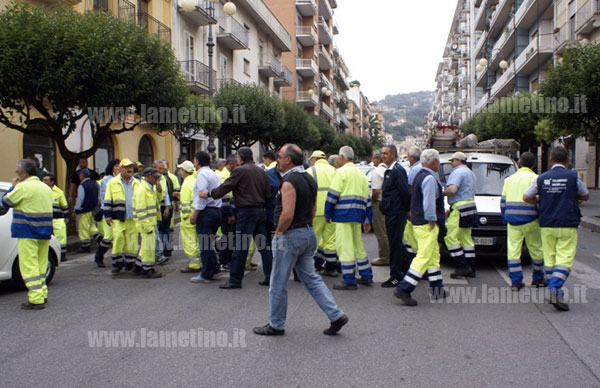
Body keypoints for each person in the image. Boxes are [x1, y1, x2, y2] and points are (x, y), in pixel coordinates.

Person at [253, 144, 349, 336]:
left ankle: (276, 324)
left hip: (290, 235)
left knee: (278, 282)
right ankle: (336, 315)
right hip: (307, 232)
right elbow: (313, 210)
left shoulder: (289, 181)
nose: (277, 160)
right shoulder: (309, 179)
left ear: (288, 160)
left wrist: (279, 232)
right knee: (312, 278)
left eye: (280, 156)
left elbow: (287, 214)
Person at [523, 146, 589, 311]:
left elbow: (526, 197)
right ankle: (554, 288)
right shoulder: (573, 176)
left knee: (550, 259)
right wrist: (574, 198)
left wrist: (540, 201)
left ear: (551, 160)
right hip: (567, 222)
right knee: (565, 258)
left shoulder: (541, 178)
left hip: (547, 223)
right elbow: (585, 195)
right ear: (567, 160)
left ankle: (555, 291)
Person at [200, 147, 273, 289]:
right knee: (264, 247)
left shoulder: (240, 171)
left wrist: (209, 193)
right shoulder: (261, 171)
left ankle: (234, 280)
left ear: (240, 158)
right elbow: (268, 192)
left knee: (240, 247)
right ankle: (270, 277)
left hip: (246, 212)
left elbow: (225, 187)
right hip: (260, 211)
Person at [394, 149, 446, 306]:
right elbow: (429, 202)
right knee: (424, 256)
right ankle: (404, 288)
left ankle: (437, 289)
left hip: (418, 221)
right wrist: (431, 219)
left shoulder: (418, 175)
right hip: (426, 224)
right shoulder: (429, 178)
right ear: (434, 162)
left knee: (433, 255)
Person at [1, 159, 53, 309]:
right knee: (41, 265)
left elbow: (5, 202)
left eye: (17, 172)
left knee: (29, 266)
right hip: (44, 231)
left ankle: (36, 299)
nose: (17, 174)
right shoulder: (45, 188)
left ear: (23, 173)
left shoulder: (22, 187)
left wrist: (12, 187)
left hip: (27, 231)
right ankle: (42, 293)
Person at [325, 146, 373, 290]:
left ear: (341, 158)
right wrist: (367, 219)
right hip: (358, 215)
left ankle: (349, 280)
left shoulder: (340, 173)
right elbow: (368, 199)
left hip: (342, 215)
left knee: (344, 247)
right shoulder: (361, 175)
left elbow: (332, 195)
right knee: (358, 245)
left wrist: (328, 214)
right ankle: (366, 275)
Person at [501, 152, 546, 291]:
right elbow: (541, 201)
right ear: (534, 164)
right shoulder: (536, 178)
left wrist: (505, 218)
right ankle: (538, 278)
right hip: (531, 218)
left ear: (519, 163)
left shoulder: (509, 179)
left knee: (513, 251)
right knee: (536, 249)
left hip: (512, 220)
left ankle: (516, 282)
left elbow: (503, 202)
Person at [379, 145, 411, 288]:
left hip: (396, 213)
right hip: (391, 211)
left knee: (395, 245)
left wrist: (405, 210)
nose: (383, 156)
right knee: (396, 244)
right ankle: (405, 270)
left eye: (385, 153)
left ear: (393, 155)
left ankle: (396, 276)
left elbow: (405, 192)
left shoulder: (397, 171)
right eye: (382, 153)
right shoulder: (390, 170)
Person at [443, 151, 478, 279]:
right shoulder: (470, 173)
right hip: (470, 207)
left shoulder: (457, 172)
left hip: (459, 208)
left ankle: (462, 265)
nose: (451, 163)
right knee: (466, 239)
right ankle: (471, 268)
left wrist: (443, 193)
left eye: (452, 161)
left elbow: (453, 189)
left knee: (450, 238)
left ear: (459, 160)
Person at [190, 151, 223, 283]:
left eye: (194, 159)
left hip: (206, 212)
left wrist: (195, 213)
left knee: (204, 243)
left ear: (197, 161)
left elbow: (202, 196)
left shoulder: (202, 175)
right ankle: (214, 268)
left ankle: (206, 273)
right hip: (216, 210)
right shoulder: (213, 174)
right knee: (208, 242)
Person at [103, 159, 139, 272]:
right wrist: (107, 215)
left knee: (131, 240)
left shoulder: (137, 183)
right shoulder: (112, 182)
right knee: (118, 239)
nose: (129, 169)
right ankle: (117, 263)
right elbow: (107, 200)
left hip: (132, 218)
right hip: (118, 217)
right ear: (121, 168)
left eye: (131, 167)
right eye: (126, 167)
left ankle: (130, 262)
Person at [306, 150, 338, 277]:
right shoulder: (334, 171)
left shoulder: (310, 171)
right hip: (332, 210)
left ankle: (309, 268)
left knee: (313, 239)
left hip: (316, 210)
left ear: (315, 159)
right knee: (330, 240)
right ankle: (331, 268)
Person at [133, 168, 163, 279]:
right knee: (148, 247)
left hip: (150, 222)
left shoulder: (151, 188)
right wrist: (147, 226)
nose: (157, 179)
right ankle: (147, 269)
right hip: (145, 223)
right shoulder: (142, 190)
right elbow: (140, 210)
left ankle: (138, 265)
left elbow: (157, 202)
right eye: (155, 177)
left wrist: (159, 192)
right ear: (147, 176)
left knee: (146, 246)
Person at [94, 159, 120, 267]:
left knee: (118, 236)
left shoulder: (121, 180)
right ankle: (99, 256)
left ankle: (118, 259)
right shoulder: (106, 180)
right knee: (108, 236)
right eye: (116, 166)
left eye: (120, 166)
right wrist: (106, 211)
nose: (118, 168)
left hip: (119, 211)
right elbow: (105, 197)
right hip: (108, 211)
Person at [178, 160, 201, 273]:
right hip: (197, 215)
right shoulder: (195, 180)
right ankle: (199, 261)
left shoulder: (186, 183)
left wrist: (184, 216)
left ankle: (194, 264)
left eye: (181, 169)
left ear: (184, 171)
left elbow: (186, 203)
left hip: (188, 218)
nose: (180, 172)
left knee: (189, 241)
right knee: (196, 240)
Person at [370, 149, 390, 267]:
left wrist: (371, 201)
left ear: (379, 159)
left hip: (379, 203)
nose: (372, 160)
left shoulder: (377, 172)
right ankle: (389, 254)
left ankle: (384, 257)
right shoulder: (387, 170)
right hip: (389, 203)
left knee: (380, 231)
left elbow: (376, 191)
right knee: (387, 230)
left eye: (373, 158)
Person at [42, 174, 68, 262]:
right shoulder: (41, 191)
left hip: (57, 218)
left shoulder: (58, 192)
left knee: (61, 236)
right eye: (43, 180)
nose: (44, 182)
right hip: (46, 219)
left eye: (46, 180)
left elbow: (64, 205)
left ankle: (62, 255)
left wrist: (66, 217)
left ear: (52, 182)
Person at [217, 155, 237, 270]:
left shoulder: (227, 174)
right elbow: (225, 198)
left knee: (229, 236)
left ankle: (225, 260)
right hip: (227, 211)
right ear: (231, 164)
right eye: (236, 164)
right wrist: (230, 214)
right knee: (228, 237)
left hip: (228, 210)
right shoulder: (225, 176)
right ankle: (224, 261)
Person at [403, 147, 422, 260]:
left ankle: (412, 259)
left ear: (412, 158)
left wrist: (408, 208)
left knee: (410, 235)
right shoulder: (423, 168)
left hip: (414, 208)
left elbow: (410, 190)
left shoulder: (415, 169)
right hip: (421, 208)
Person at [74, 168, 100, 253]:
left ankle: (86, 247)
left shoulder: (82, 185)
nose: (79, 176)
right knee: (92, 226)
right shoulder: (95, 184)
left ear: (83, 176)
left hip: (85, 209)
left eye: (80, 175)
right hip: (93, 209)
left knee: (83, 228)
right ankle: (99, 238)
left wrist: (76, 209)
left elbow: (80, 198)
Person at [153, 160, 173, 264]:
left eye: (162, 168)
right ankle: (160, 252)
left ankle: (167, 250)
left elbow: (166, 194)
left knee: (165, 229)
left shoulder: (164, 179)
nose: (161, 170)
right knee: (159, 231)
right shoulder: (151, 179)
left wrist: (167, 207)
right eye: (158, 168)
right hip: (155, 208)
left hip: (163, 206)